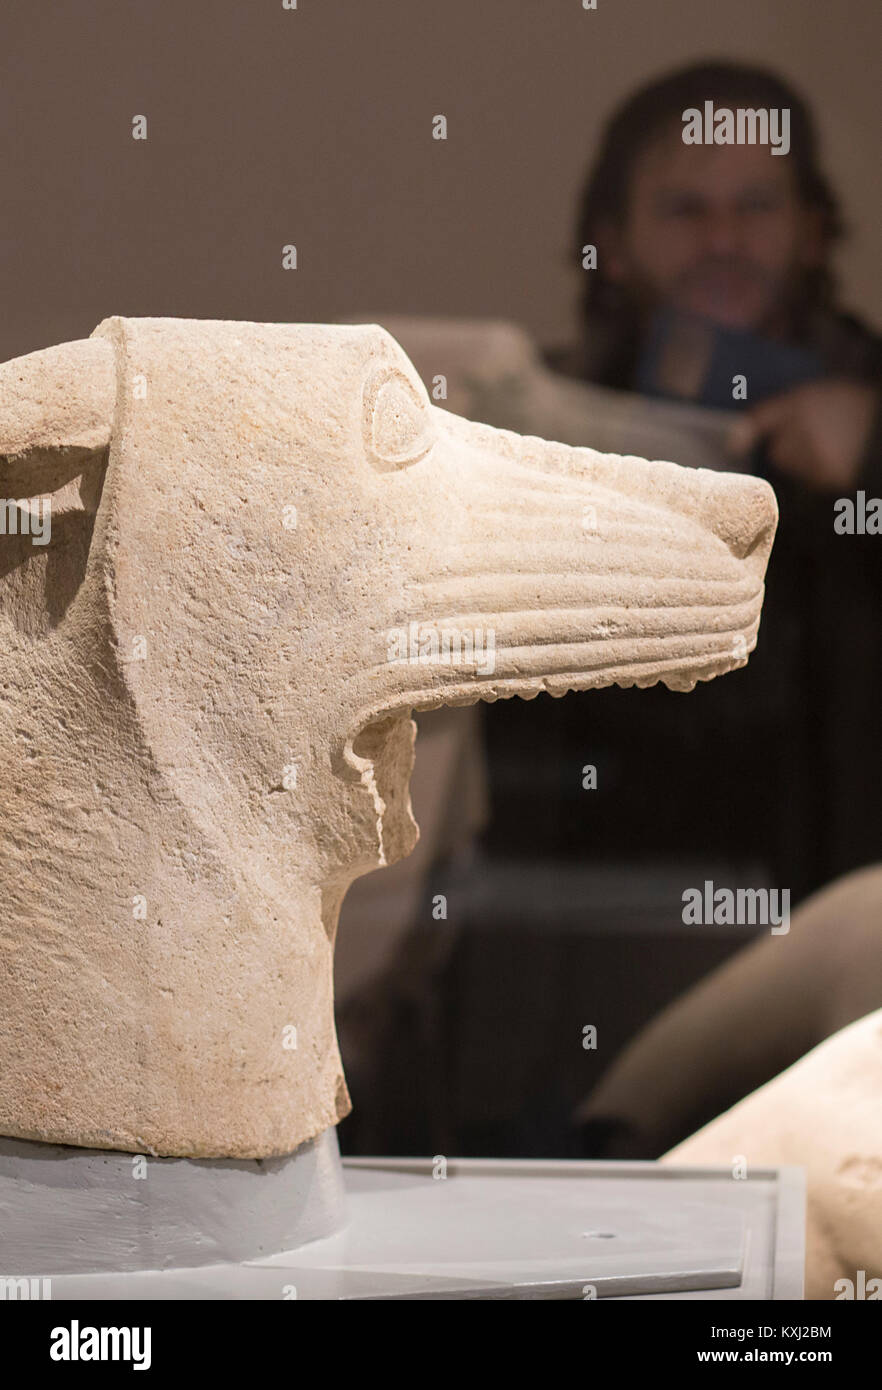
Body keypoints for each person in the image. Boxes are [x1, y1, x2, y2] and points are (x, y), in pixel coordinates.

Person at [509, 60, 882, 901]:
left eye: (756, 207)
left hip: (848, 934)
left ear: (814, 232)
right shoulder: (538, 420)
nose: (723, 241)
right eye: (685, 209)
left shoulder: (870, 401)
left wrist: (874, 453)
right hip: (587, 925)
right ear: (613, 241)